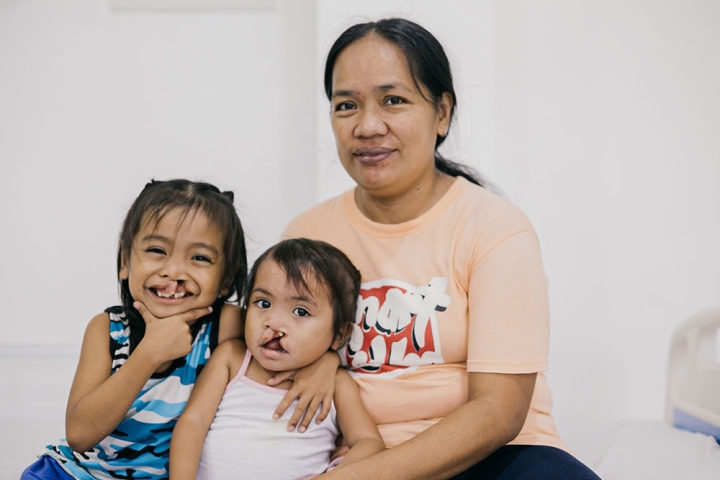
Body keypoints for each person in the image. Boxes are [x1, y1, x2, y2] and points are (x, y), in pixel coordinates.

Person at [282, 18, 601, 480]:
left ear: (442, 113)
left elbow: (499, 411)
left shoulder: (494, 227)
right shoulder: (306, 235)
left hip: (493, 458)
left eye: (394, 100)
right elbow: (263, 352)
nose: (368, 126)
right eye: (346, 105)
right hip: (355, 454)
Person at [21, 180, 337, 480]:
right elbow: (79, 435)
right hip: (74, 473)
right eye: (157, 250)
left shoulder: (227, 326)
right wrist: (148, 353)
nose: (174, 271)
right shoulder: (107, 330)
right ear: (125, 263)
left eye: (199, 257)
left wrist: (326, 363)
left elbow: (287, 333)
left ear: (226, 279)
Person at [169, 238, 385, 480]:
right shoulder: (232, 359)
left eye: (300, 311)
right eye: (263, 303)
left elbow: (368, 442)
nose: (273, 322)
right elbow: (193, 422)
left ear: (339, 334)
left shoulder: (336, 383)